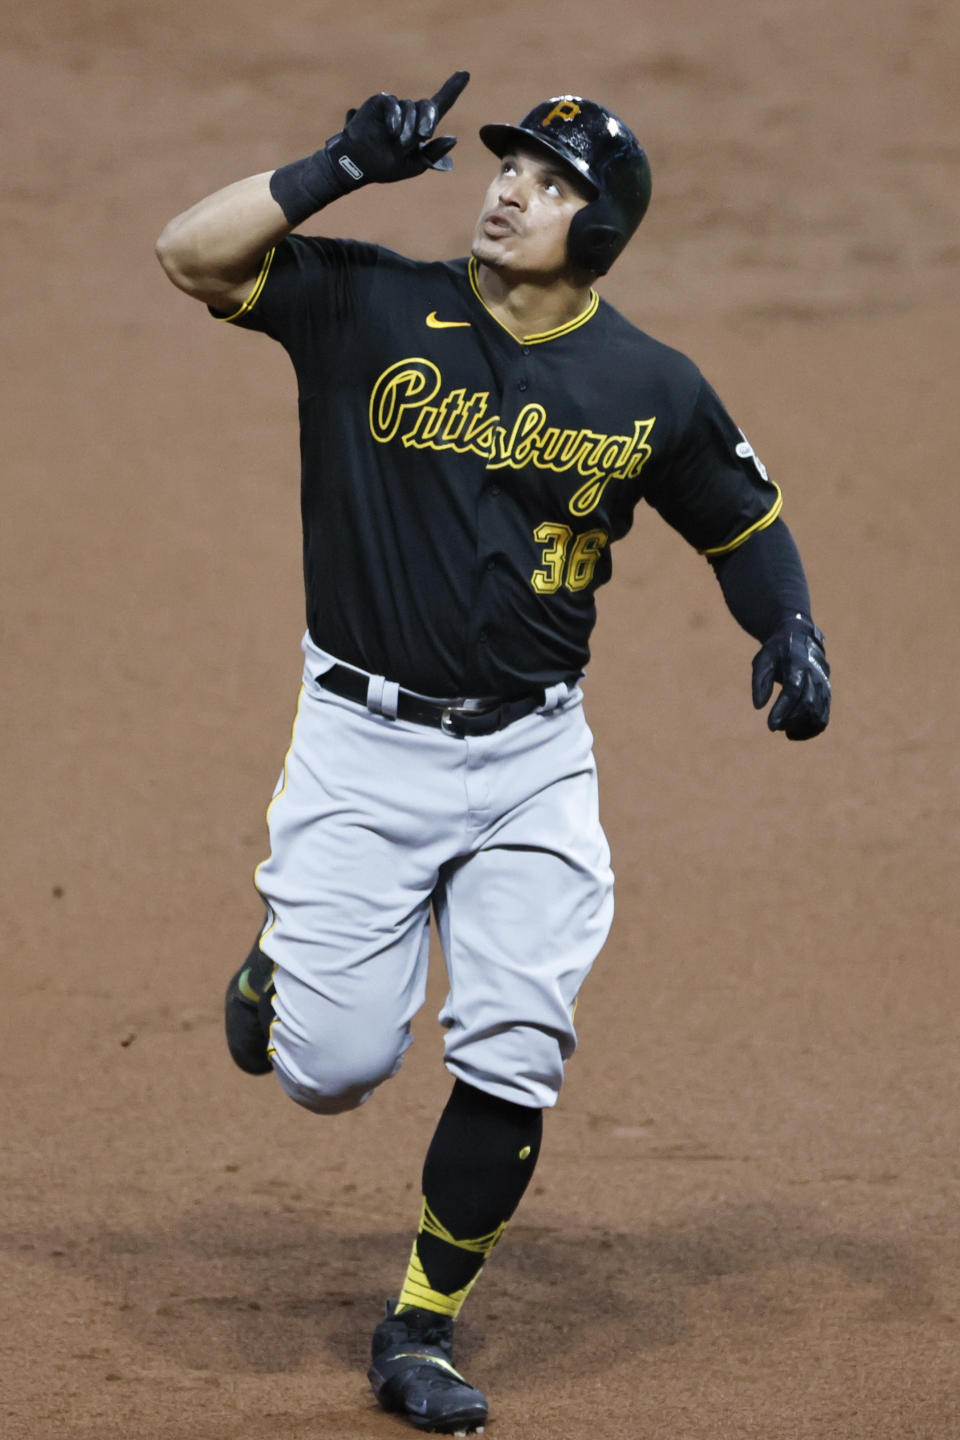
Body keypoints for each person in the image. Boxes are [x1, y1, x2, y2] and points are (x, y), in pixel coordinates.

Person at [156, 71, 831, 1434]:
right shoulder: (367, 307)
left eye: (554, 179)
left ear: (601, 232)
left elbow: (742, 524)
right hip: (361, 743)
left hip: (534, 760)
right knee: (328, 1072)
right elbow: (189, 254)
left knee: (517, 1044)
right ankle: (285, 957)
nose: (512, 187)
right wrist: (335, 166)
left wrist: (793, 631)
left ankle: (420, 1324)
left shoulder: (649, 384)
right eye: (511, 165)